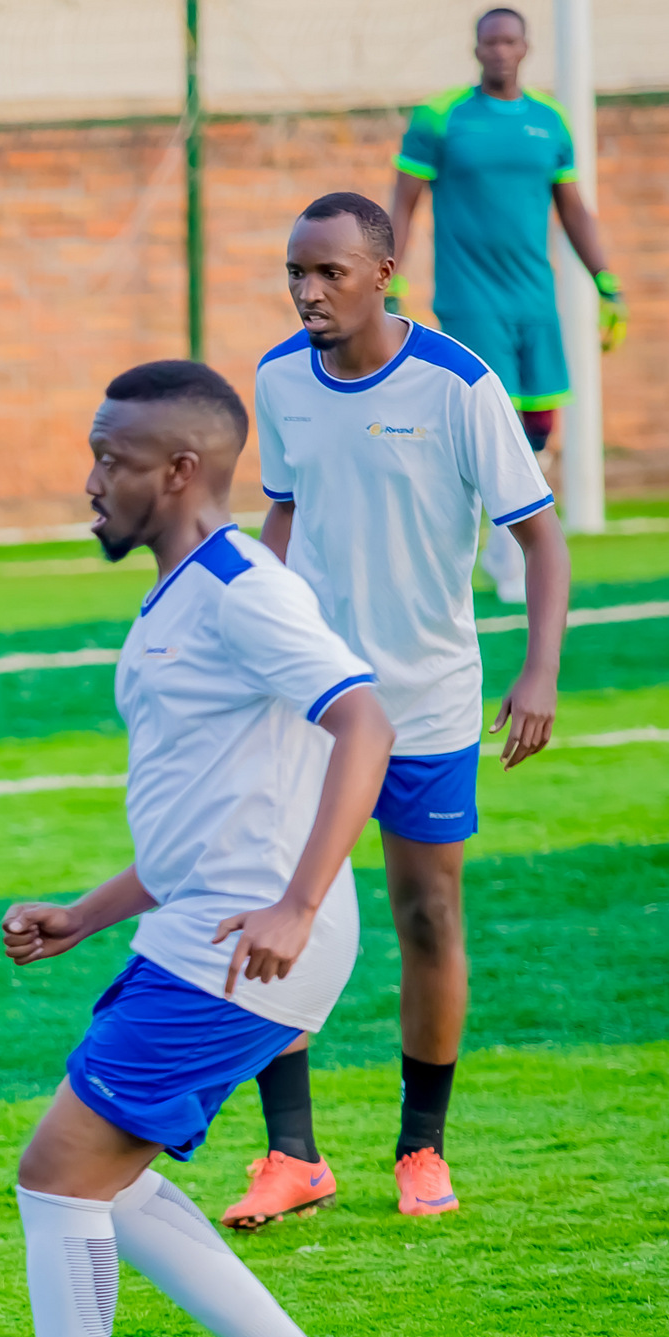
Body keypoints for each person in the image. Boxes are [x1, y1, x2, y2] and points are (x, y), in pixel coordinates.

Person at [0, 359, 394, 1337]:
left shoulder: (243, 588)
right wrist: (86, 912)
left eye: (114, 460)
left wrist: (298, 902)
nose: (92, 481)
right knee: (106, 1176)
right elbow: (210, 813)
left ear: (181, 470)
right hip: (200, 923)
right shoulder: (180, 595)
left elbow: (365, 719)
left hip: (245, 940)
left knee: (58, 1175)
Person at [225, 193, 567, 1232]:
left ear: (383, 273)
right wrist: (256, 638)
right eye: (296, 272)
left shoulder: (459, 385)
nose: (307, 291)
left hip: (427, 701)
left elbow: (541, 539)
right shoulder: (280, 376)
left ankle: (422, 1146)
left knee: (428, 915)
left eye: (328, 272)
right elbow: (283, 512)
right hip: (312, 703)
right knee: (279, 903)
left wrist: (539, 671)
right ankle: (292, 1154)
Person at [390, 4, 623, 604]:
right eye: (489, 42)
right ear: (476, 49)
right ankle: (496, 552)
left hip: (535, 299)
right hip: (469, 298)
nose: (499, 50)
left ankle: (505, 547)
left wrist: (606, 281)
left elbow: (574, 209)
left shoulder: (550, 121)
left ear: (525, 47)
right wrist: (390, 280)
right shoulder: (440, 117)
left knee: (539, 424)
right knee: (490, 421)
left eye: (509, 41)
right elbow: (402, 205)